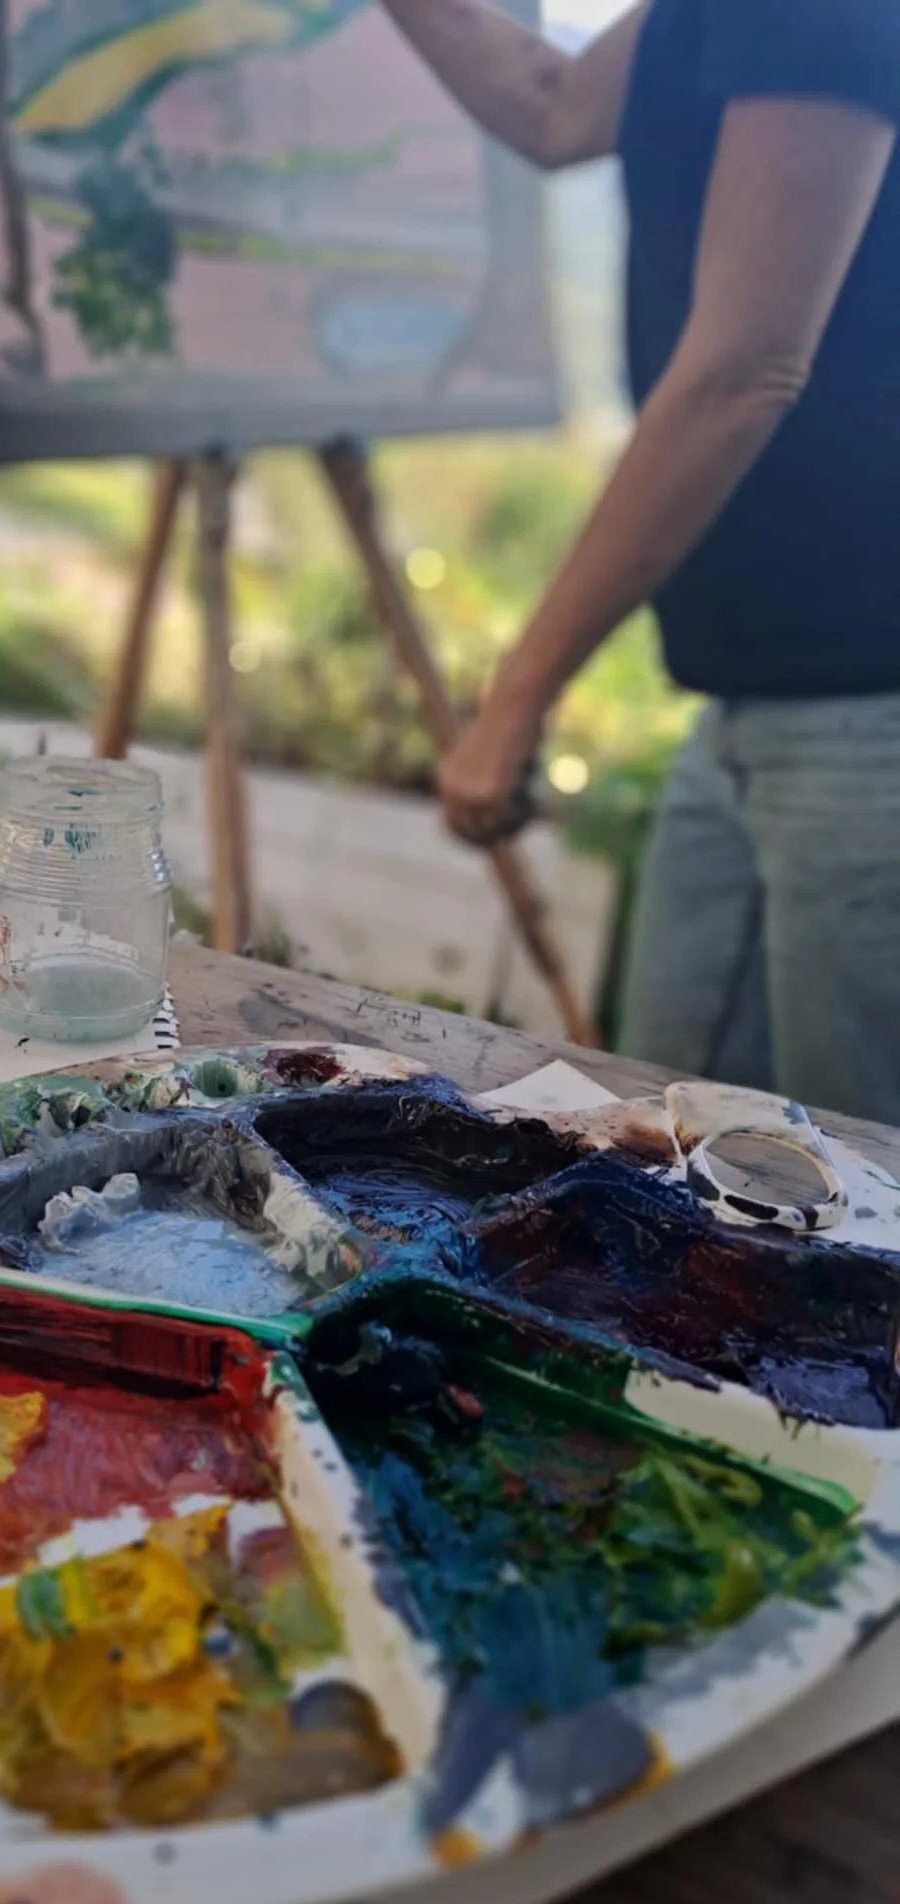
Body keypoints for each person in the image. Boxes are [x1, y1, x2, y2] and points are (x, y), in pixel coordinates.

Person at [376, 0, 900, 1123]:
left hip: (868, 709)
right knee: (677, 1149)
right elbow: (550, 102)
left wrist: (519, 694)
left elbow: (745, 368)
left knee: (862, 1204)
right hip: (758, 703)